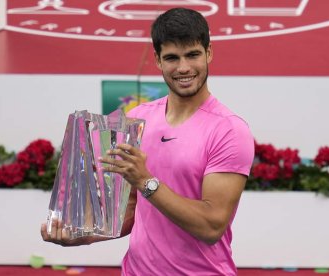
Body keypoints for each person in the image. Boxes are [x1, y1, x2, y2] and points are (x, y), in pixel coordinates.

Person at [41, 7, 254, 275]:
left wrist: (145, 181)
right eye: (172, 58)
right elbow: (130, 212)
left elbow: (211, 226)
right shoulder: (138, 118)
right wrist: (79, 234)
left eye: (193, 55)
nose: (184, 67)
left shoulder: (229, 130)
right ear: (158, 60)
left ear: (209, 53)